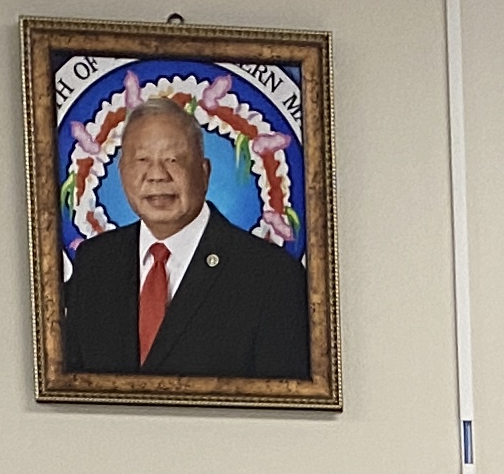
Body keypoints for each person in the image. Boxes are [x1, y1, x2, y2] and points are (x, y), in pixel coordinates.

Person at [56, 89, 312, 380]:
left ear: (204, 172)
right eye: (141, 160)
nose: (157, 176)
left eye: (173, 160)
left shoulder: (270, 276)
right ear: (121, 172)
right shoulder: (95, 263)